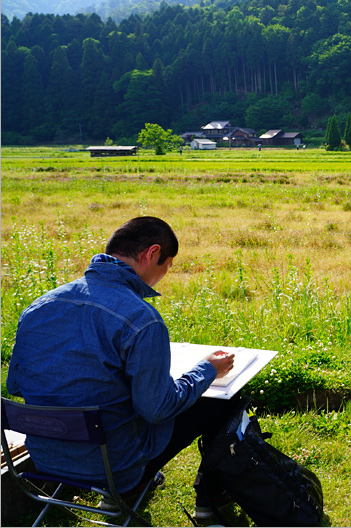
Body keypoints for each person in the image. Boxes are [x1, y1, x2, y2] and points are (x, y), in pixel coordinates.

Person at [7, 217, 239, 518]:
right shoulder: (142, 320)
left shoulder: (37, 308)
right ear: (152, 254)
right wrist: (206, 371)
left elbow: (16, 385)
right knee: (224, 403)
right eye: (166, 267)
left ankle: (127, 490)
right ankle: (209, 503)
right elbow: (157, 409)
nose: (162, 278)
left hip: (46, 458)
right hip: (115, 464)